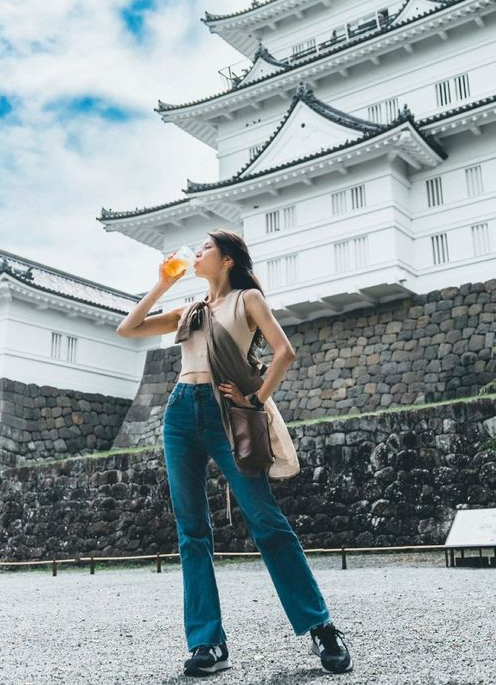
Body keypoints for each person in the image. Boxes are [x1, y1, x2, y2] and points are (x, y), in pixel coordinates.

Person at [116, 230, 353, 676]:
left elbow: (285, 352)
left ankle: (321, 626)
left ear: (227, 260)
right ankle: (207, 643)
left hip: (227, 412)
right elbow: (128, 328)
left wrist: (256, 399)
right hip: (180, 414)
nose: (197, 253)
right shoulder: (191, 309)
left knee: (265, 520)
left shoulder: (247, 300)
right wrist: (163, 284)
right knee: (192, 531)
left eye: (205, 248)